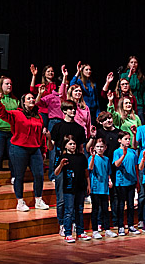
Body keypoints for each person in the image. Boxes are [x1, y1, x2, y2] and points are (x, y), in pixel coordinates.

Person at [0, 90, 49, 212]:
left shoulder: (38, 116)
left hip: (35, 149)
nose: (32, 100)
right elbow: (3, 114)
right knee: (19, 176)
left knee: (39, 175)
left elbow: (41, 135)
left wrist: (43, 149)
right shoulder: (16, 114)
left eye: (33, 98)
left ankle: (38, 200)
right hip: (19, 148)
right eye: (29, 98)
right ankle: (20, 202)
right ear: (23, 103)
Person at [49, 102, 86, 235]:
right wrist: (48, 138)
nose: (73, 111)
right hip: (62, 163)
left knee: (75, 198)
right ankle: (62, 224)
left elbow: (81, 149)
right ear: (64, 111)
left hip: (76, 164)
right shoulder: (58, 126)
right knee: (61, 199)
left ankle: (73, 223)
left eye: (74, 109)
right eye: (69, 109)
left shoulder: (79, 128)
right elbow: (51, 147)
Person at [54, 135, 89, 242]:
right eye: (70, 144)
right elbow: (56, 172)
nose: (73, 146)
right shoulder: (62, 157)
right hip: (69, 187)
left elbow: (86, 172)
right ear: (65, 146)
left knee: (79, 210)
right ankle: (68, 233)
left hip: (80, 186)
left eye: (74, 144)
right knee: (69, 211)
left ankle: (80, 232)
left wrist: (88, 185)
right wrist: (61, 164)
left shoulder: (81, 157)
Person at [111, 131, 140, 235]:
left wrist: (137, 181)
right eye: (125, 139)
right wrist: (123, 155)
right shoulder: (117, 152)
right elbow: (116, 164)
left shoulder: (132, 152)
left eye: (129, 139)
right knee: (121, 205)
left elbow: (136, 167)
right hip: (121, 183)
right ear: (120, 140)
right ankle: (120, 226)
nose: (128, 141)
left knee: (131, 205)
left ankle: (131, 225)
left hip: (131, 182)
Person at [88, 138, 114, 239]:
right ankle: (95, 230)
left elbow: (108, 172)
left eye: (101, 147)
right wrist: (93, 157)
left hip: (104, 188)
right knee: (95, 209)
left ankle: (107, 229)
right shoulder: (92, 158)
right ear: (94, 148)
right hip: (95, 188)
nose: (100, 148)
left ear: (105, 148)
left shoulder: (107, 159)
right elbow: (90, 168)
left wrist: (109, 180)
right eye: (97, 147)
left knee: (105, 209)